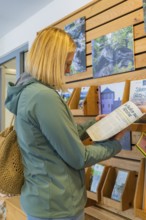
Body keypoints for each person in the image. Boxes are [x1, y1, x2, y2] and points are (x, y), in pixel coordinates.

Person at [5, 27, 125, 220]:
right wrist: (115, 145)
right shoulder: (43, 97)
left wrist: (91, 125)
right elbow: (79, 157)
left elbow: (57, 138)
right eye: (66, 63)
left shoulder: (29, 92)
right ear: (51, 61)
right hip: (56, 205)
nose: (69, 70)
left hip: (43, 198)